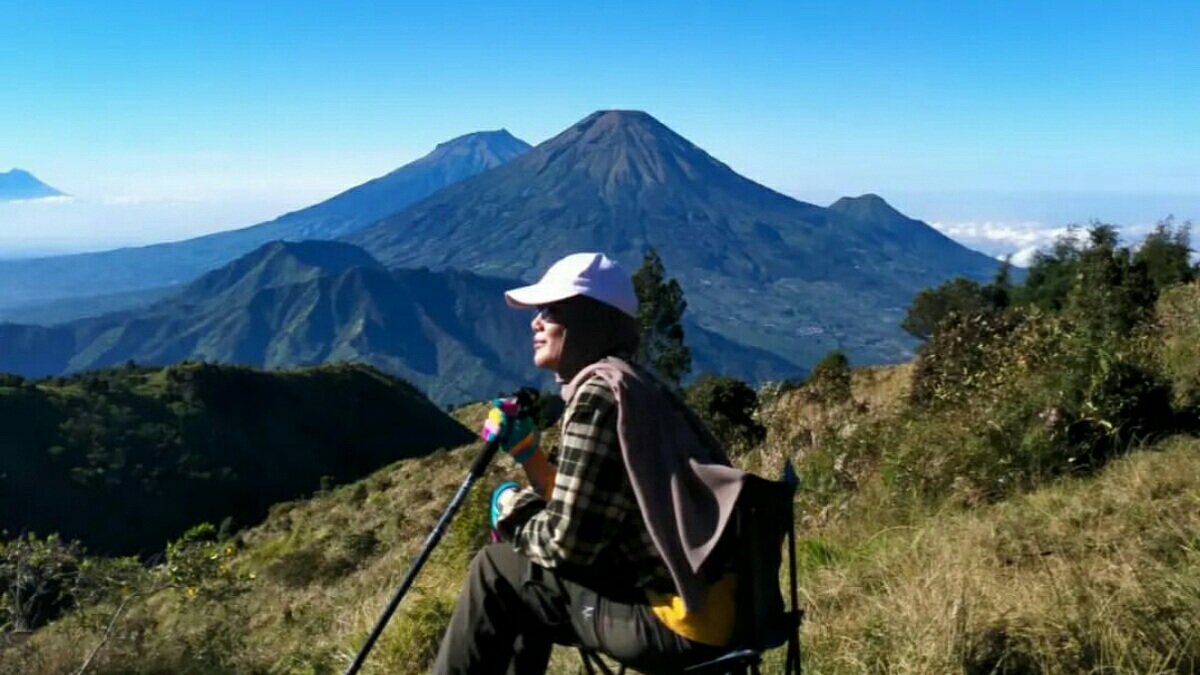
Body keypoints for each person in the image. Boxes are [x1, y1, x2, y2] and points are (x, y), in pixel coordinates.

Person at [432, 252, 752, 675]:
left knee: (496, 569)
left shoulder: (599, 396)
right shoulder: (634, 385)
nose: (536, 322)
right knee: (525, 577)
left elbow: (568, 546)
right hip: (718, 609)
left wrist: (512, 514)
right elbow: (590, 510)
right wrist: (531, 456)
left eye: (551, 310)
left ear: (586, 320)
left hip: (677, 622)